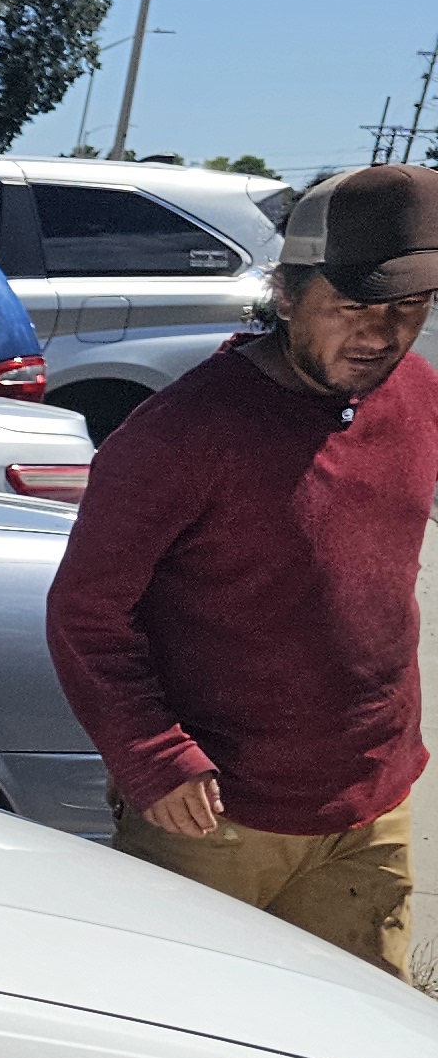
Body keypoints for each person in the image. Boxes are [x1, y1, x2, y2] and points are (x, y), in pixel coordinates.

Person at [45, 162, 438, 973]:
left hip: (372, 803)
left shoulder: (417, 394)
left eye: (408, 308)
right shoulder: (182, 432)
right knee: (188, 1025)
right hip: (213, 820)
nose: (380, 334)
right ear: (287, 294)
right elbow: (86, 612)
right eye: (352, 306)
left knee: (358, 1029)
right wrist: (154, 757)